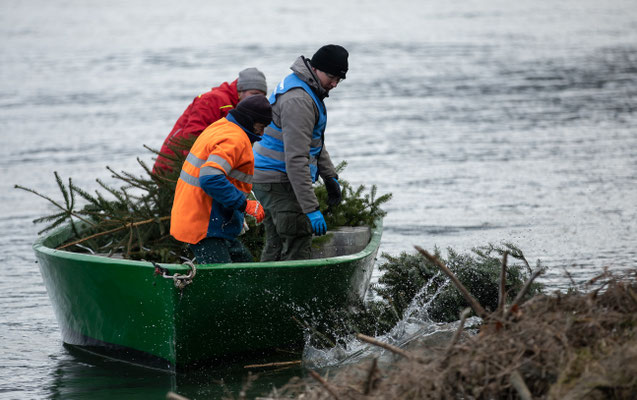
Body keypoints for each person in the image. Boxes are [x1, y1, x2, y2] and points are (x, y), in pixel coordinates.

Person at [252, 44, 348, 261]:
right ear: (316, 69)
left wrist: (329, 175)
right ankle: (288, 294)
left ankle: (266, 292)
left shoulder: (305, 88)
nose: (334, 84)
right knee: (296, 239)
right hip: (277, 180)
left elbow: (312, 142)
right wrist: (311, 209)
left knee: (276, 243)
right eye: (332, 76)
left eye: (339, 79)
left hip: (268, 177)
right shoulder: (299, 100)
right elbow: (296, 159)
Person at [170, 95, 272, 264]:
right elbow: (210, 177)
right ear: (249, 120)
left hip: (205, 219)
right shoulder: (235, 139)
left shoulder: (221, 126)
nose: (261, 134)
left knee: (246, 268)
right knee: (223, 281)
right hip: (204, 225)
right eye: (260, 127)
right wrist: (245, 204)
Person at [154, 67, 268, 173]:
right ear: (240, 90)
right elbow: (192, 136)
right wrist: (191, 168)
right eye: (254, 94)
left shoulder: (237, 108)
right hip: (172, 166)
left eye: (263, 96)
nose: (258, 99)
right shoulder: (213, 100)